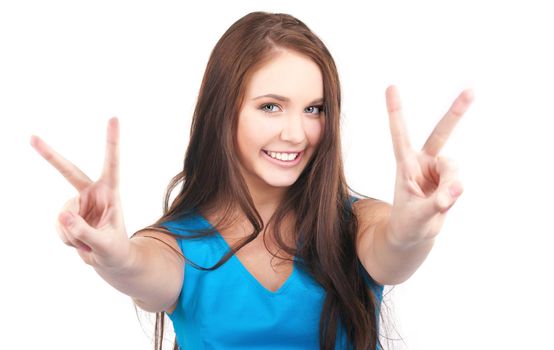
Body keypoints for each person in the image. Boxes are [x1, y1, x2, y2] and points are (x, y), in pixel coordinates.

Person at [30, 11, 473, 350]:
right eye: (270, 106)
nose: (296, 133)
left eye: (314, 109)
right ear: (224, 112)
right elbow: (137, 268)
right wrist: (111, 253)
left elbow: (394, 250)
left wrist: (414, 228)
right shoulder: (177, 246)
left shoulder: (358, 223)